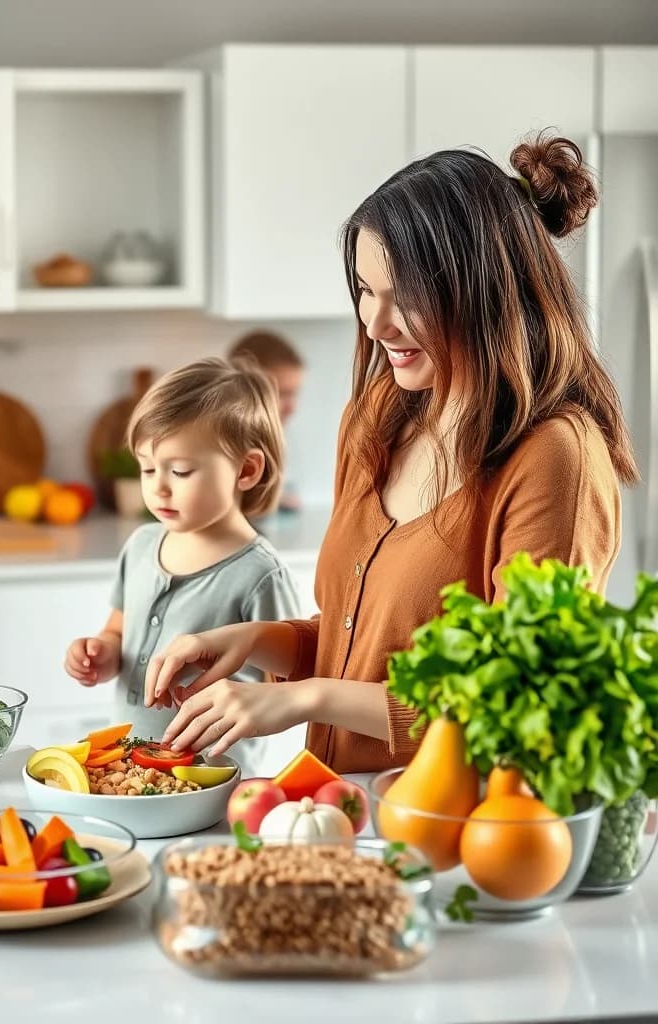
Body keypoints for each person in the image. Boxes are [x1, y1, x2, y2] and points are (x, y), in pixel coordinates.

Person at [144, 132, 638, 775]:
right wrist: (253, 641)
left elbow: (518, 706)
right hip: (341, 808)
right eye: (364, 289)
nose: (375, 324)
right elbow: (361, 642)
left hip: (461, 822)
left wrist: (305, 699)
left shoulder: (555, 458)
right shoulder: (376, 419)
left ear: (484, 289)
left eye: (404, 294)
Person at [63, 357, 301, 775]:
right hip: (129, 769)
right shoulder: (141, 546)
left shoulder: (261, 575)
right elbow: (118, 631)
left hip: (215, 776)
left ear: (246, 470)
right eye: (147, 468)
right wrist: (101, 654)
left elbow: (285, 686)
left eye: (180, 471)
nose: (158, 487)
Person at [228, 331, 306, 512]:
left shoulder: (276, 442)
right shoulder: (224, 450)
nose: (292, 408)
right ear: (244, 390)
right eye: (281, 394)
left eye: (294, 393)